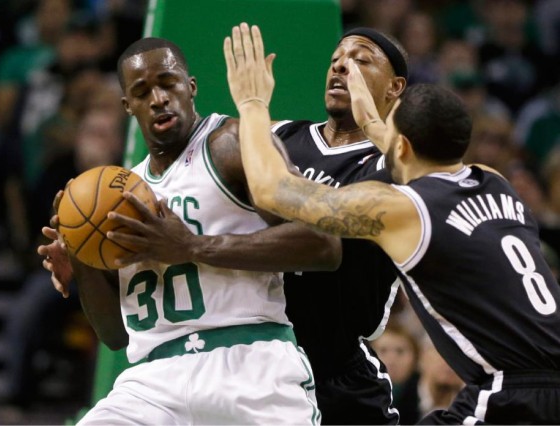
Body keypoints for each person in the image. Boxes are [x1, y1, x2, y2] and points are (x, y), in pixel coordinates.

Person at [225, 23, 560, 424]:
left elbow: (271, 191)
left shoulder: (404, 207)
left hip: (511, 393)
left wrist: (252, 103)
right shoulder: (495, 181)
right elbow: (415, 157)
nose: (342, 67)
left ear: (399, 146)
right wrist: (373, 117)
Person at [37, 36, 342, 424]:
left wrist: (194, 246)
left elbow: (324, 244)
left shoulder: (231, 144)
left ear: (191, 86)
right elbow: (114, 335)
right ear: (128, 105)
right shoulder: (117, 197)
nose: (158, 99)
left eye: (168, 83)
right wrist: (83, 258)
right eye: (142, 92)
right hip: (154, 380)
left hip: (250, 363)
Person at [270, 26, 407, 424]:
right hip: (261, 354)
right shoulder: (281, 136)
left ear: (395, 87)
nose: (341, 67)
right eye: (335, 61)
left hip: (336, 368)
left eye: (361, 60)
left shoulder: (400, 164)